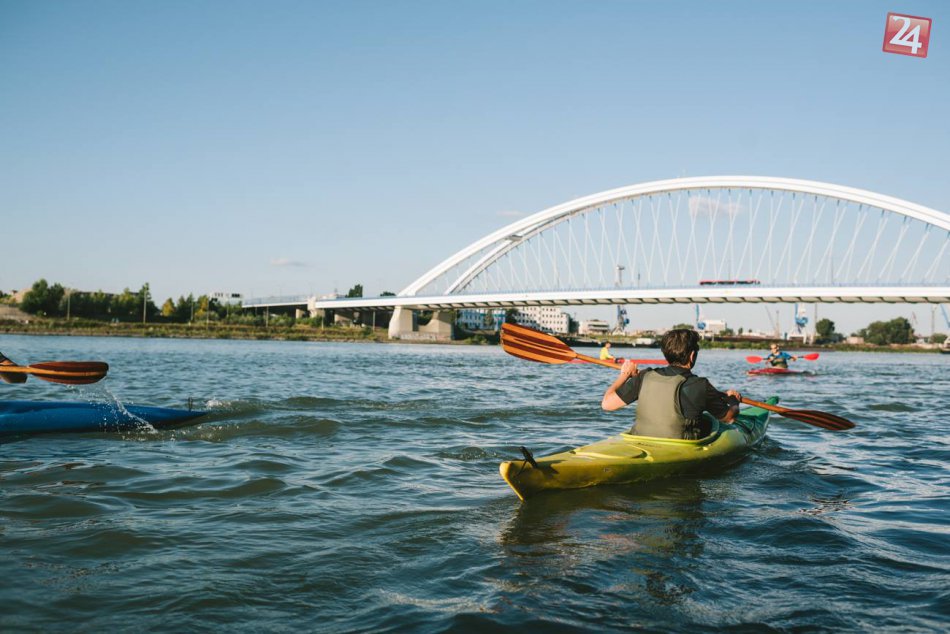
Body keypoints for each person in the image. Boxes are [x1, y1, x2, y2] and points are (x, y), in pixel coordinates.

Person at [601, 329, 741, 440]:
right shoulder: (701, 385)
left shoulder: (644, 376)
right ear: (692, 356)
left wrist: (624, 375)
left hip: (642, 440)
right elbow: (729, 418)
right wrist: (734, 402)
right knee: (708, 422)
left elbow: (607, 404)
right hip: (679, 446)